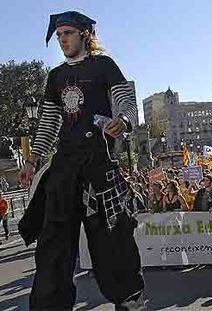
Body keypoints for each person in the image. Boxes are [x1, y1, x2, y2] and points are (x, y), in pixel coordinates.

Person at [18, 11, 144, 310]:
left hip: (99, 164)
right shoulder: (56, 76)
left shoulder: (104, 66)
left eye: (68, 34)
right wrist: (33, 160)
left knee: (111, 238)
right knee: (53, 243)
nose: (62, 40)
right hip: (64, 166)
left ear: (85, 35)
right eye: (59, 35)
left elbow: (126, 102)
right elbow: (48, 122)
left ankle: (129, 299)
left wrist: (123, 121)